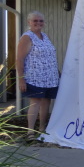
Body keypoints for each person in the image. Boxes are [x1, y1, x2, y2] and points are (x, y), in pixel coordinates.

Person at [16, 11, 59, 139]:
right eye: (35, 20)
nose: (38, 23)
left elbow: (50, 56)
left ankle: (42, 129)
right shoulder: (27, 37)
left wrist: (57, 72)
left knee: (47, 101)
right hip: (35, 77)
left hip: (50, 77)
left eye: (40, 21)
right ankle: (30, 132)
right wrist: (21, 79)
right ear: (29, 22)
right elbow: (19, 59)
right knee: (35, 102)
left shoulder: (44, 36)